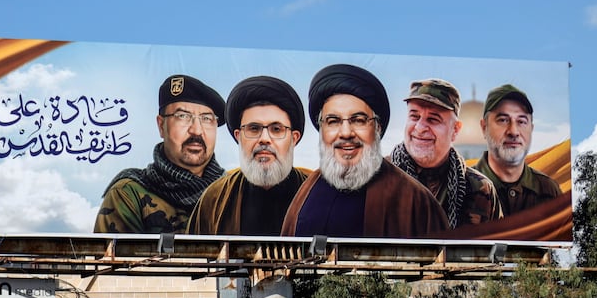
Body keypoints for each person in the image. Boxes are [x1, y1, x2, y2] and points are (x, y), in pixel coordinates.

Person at [282, 63, 446, 240]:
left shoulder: (416, 202)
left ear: (377, 127)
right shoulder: (308, 188)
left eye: (358, 120)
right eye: (333, 121)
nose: (345, 133)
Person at [94, 74, 227, 234]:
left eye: (207, 119)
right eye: (183, 116)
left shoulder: (233, 193)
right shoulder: (129, 194)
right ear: (161, 125)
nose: (196, 130)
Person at [187, 75, 308, 236]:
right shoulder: (214, 199)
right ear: (238, 136)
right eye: (254, 129)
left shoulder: (316, 195)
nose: (264, 139)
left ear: (294, 138)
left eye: (276, 129)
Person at [388, 78, 500, 228]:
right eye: (414, 116)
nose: (420, 128)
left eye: (433, 119)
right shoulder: (377, 179)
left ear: (455, 130)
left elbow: (499, 247)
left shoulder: (479, 189)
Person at [477, 84, 562, 216]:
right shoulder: (460, 188)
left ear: (531, 129)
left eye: (521, 121)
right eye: (503, 120)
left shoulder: (549, 192)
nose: (514, 131)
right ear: (484, 127)